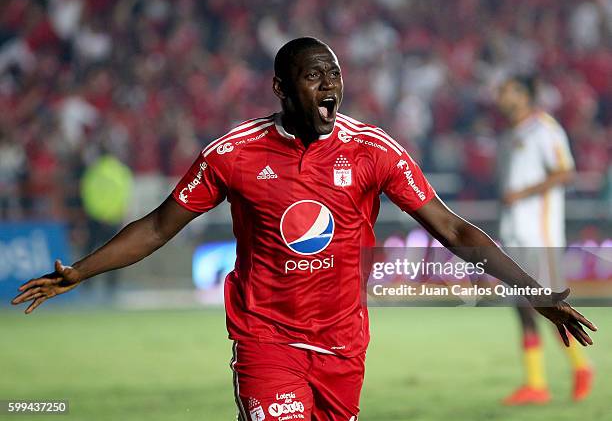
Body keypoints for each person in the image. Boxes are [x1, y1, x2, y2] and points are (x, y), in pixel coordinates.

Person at [12, 38, 596, 420]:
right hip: (267, 338)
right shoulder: (233, 155)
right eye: (314, 76)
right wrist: (81, 271)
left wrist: (535, 293)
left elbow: (454, 230)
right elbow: (161, 224)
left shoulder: (374, 150)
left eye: (335, 74)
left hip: (344, 343)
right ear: (281, 88)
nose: (329, 86)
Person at [496, 75, 594, 405]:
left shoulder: (544, 129)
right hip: (514, 235)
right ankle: (536, 384)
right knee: (523, 309)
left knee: (548, 303)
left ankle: (582, 367)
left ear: (524, 96)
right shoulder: (510, 134)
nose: (500, 96)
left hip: (540, 236)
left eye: (507, 90)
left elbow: (565, 172)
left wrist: (521, 193)